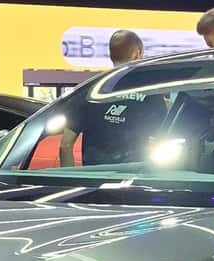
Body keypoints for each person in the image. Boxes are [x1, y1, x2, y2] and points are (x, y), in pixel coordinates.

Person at [59, 30, 164, 167]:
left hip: (94, 178)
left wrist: (71, 179)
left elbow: (65, 145)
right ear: (138, 54)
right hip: (134, 177)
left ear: (110, 55)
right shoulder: (151, 92)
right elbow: (163, 141)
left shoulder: (90, 90)